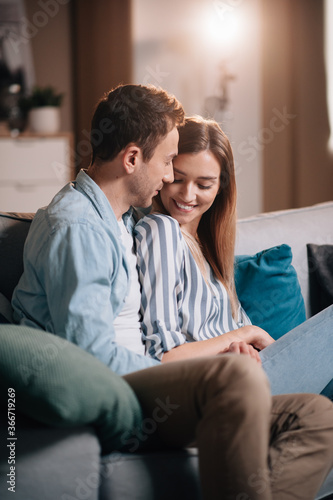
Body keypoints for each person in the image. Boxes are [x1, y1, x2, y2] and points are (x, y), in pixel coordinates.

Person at [11, 85, 333, 499]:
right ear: (131, 159)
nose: (168, 178)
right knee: (233, 377)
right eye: (167, 163)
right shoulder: (78, 229)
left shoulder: (116, 218)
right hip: (127, 393)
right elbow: (91, 355)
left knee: (316, 416)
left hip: (150, 383)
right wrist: (190, 364)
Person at [135, 115, 333, 398]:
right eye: (177, 178)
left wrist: (240, 345)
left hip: (248, 372)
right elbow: (163, 358)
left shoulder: (208, 248)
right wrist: (243, 335)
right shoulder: (161, 230)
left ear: (220, 188)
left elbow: (235, 337)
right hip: (219, 387)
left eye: (204, 185)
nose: (187, 194)